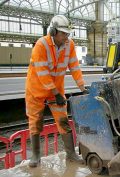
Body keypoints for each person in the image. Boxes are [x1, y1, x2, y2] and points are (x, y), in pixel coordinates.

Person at [25, 15, 88, 167]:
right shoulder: (41, 45)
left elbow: (74, 67)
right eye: (63, 33)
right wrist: (55, 93)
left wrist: (82, 88)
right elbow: (42, 73)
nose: (66, 37)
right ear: (53, 32)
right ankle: (35, 156)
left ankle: (71, 154)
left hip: (56, 90)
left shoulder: (69, 45)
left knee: (63, 120)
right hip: (36, 89)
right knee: (35, 121)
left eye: (68, 34)